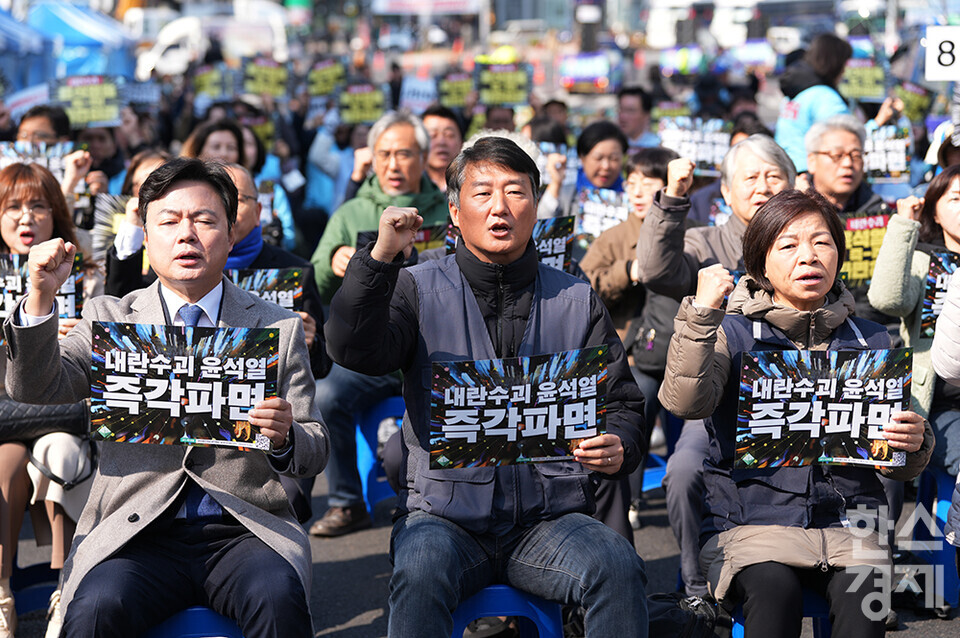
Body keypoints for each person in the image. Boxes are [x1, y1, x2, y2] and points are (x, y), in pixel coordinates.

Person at [326, 135, 648, 637]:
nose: (500, 207)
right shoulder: (415, 287)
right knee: (419, 572)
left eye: (515, 192)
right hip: (442, 520)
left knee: (618, 564)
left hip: (550, 521)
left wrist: (620, 444)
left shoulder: (575, 298)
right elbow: (351, 348)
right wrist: (380, 258)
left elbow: (623, 403)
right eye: (483, 193)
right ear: (455, 212)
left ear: (536, 206)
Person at [2, 157, 328, 637]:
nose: (186, 235)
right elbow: (34, 388)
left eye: (204, 220)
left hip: (244, 529)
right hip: (135, 531)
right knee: (95, 611)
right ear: (146, 238)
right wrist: (40, 299)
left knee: (278, 600)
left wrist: (285, 437)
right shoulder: (111, 317)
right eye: (169, 221)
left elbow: (315, 447)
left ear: (231, 235)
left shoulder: (276, 326)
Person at [659, 188, 932, 637]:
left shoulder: (871, 339)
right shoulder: (730, 333)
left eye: (822, 242)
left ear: (839, 255)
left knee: (865, 597)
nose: (809, 256)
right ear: (760, 264)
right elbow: (685, 402)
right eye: (788, 245)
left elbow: (898, 462)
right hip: (751, 527)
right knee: (774, 592)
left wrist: (914, 443)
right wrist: (703, 315)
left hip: (851, 530)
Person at [635, 134, 795, 596]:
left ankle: (863, 580)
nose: (763, 186)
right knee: (683, 472)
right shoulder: (705, 241)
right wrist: (673, 198)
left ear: (792, 183)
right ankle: (696, 588)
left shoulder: (806, 242)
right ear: (725, 191)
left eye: (774, 176)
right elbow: (656, 269)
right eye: (750, 177)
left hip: (796, 395)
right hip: (720, 397)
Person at [308, 111, 448, 538]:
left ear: (423, 156)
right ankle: (346, 501)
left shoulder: (450, 207)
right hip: (376, 353)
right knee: (327, 395)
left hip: (439, 347)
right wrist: (333, 265)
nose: (393, 163)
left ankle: (451, 505)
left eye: (403, 153)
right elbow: (313, 280)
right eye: (384, 154)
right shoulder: (351, 211)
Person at [0, 163, 102, 638]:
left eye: (38, 205)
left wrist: (79, 339)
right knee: (5, 466)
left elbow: (114, 349)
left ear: (56, 214)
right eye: (13, 207)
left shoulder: (88, 271)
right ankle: (2, 594)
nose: (26, 217)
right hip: (5, 418)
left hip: (64, 414)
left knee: (60, 454)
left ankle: (68, 588)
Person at [579, 147, 681, 519]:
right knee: (638, 401)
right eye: (632, 182)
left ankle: (684, 487)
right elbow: (585, 284)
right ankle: (632, 499)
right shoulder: (614, 237)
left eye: (648, 182)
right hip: (632, 350)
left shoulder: (688, 232)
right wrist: (628, 271)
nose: (637, 191)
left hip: (678, 349)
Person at [869, 165, 960, 477]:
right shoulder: (923, 260)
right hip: (941, 408)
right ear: (934, 212)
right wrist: (905, 224)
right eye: (956, 199)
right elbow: (886, 299)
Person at [775, 33, 853, 173]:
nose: (845, 71)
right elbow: (846, 139)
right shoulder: (826, 98)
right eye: (844, 64)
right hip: (811, 174)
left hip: (786, 170)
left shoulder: (795, 93)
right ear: (836, 64)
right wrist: (877, 123)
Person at [539, 120, 628, 219]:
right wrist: (555, 184)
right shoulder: (567, 193)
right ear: (582, 157)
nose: (606, 166)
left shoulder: (631, 195)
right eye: (598, 158)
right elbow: (541, 220)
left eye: (614, 158)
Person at [421, 104, 464, 191]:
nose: (441, 142)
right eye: (432, 135)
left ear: (461, 143)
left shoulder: (471, 187)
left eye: (449, 135)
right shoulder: (408, 186)